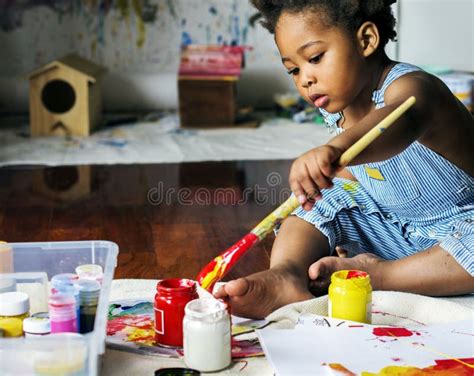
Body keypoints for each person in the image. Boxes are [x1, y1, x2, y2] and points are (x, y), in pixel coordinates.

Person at [215, 0, 474, 319]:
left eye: (314, 58)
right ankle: (287, 275)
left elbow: (394, 124)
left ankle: (380, 276)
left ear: (366, 40)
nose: (304, 79)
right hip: (398, 232)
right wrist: (326, 182)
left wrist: (335, 149)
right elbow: (368, 174)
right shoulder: (337, 107)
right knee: (317, 201)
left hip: (462, 231)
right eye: (294, 70)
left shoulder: (414, 89)